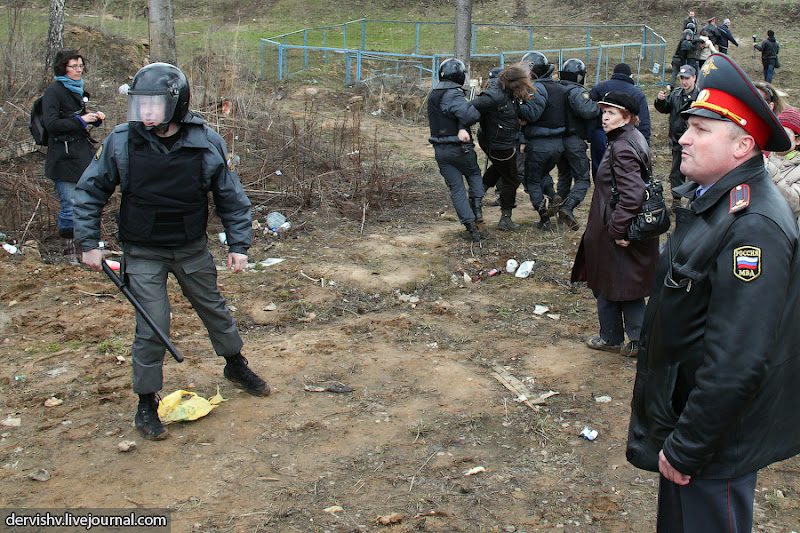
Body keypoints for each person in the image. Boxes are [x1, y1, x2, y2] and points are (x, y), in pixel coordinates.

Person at [627, 53, 800, 533]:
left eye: (702, 130)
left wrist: (689, 447)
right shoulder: (716, 203)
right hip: (691, 426)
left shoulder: (753, 227)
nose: (683, 137)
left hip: (715, 442)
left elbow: (738, 358)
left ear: (744, 145)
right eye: (689, 126)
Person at [73, 63, 270, 441]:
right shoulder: (121, 141)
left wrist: (239, 245)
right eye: (140, 105)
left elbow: (231, 198)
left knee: (214, 308)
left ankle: (235, 364)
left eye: (154, 106)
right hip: (143, 250)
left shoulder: (206, 142)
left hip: (191, 247)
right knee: (152, 325)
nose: (145, 114)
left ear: (176, 106)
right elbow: (89, 191)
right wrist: (87, 243)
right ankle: (146, 401)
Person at [571, 91, 658, 357]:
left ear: (628, 117)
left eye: (611, 113)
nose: (604, 117)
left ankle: (637, 340)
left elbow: (633, 194)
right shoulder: (626, 138)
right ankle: (610, 336)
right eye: (604, 111)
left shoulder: (622, 146)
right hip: (609, 226)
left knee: (625, 285)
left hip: (618, 229)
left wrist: (620, 230)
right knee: (608, 281)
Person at [42, 50, 105, 262]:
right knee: (69, 204)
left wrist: (93, 120)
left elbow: (78, 122)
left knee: (85, 201)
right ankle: (69, 254)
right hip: (62, 157)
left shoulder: (76, 89)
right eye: (74, 66)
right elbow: (51, 124)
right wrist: (80, 120)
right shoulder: (54, 92)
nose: (79, 70)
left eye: (80, 66)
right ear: (63, 68)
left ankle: (85, 249)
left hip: (81, 156)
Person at [427, 58, 485, 242]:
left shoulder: (434, 94)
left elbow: (450, 115)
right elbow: (471, 114)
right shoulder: (453, 95)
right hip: (460, 148)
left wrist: (460, 123)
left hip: (440, 150)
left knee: (456, 189)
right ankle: (477, 211)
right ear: (459, 76)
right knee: (474, 175)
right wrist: (470, 107)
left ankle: (471, 228)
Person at [472, 65, 535, 231]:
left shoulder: (508, 94)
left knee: (499, 170)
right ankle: (505, 219)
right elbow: (470, 107)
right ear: (514, 83)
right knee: (512, 178)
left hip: (501, 141)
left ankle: (476, 196)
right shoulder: (493, 96)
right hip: (498, 144)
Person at [516, 51, 565, 230]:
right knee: (542, 173)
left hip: (539, 143)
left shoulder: (535, 89)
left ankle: (544, 220)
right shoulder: (559, 87)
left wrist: (519, 110)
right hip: (558, 144)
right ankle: (552, 195)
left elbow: (532, 113)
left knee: (532, 180)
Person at [553, 58, 600, 229]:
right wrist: (598, 106)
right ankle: (568, 207)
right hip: (573, 140)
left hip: (557, 139)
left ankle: (560, 213)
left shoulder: (555, 89)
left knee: (564, 175)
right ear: (580, 76)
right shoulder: (577, 92)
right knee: (582, 178)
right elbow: (587, 111)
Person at [589, 63, 651, 178]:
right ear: (630, 76)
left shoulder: (599, 88)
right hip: (627, 137)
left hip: (600, 134)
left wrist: (590, 132)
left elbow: (588, 110)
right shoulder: (637, 94)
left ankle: (601, 190)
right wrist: (644, 144)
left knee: (600, 170)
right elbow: (644, 122)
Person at [655, 64, 700, 209]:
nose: (684, 81)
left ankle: (696, 200)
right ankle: (676, 201)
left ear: (694, 78)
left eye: (687, 78)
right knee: (676, 172)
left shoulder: (701, 96)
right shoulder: (676, 94)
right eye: (681, 78)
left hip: (696, 142)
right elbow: (665, 108)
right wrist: (660, 100)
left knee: (697, 172)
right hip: (677, 140)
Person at [767, 107, 800, 224]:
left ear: (798, 140)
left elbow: (795, 204)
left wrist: (771, 171)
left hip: (784, 226)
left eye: (785, 135)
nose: (780, 139)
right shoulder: (764, 157)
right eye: (777, 133)